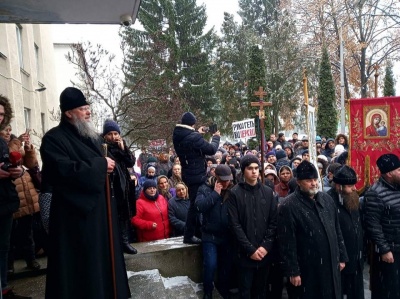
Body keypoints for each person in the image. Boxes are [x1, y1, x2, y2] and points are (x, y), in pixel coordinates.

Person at [40, 87, 130, 298]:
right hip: (74, 219)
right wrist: (99, 166)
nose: (88, 112)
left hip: (101, 216)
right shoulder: (53, 139)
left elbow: (112, 163)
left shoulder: (93, 137)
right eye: (83, 109)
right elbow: (61, 171)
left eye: (88, 108)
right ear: (69, 113)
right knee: (81, 273)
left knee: (103, 267)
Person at [278, 160, 348, 299]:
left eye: (315, 179)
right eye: (309, 180)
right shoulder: (288, 206)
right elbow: (287, 242)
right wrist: (293, 271)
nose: (314, 183)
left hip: (330, 263)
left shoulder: (326, 199)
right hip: (307, 267)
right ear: (298, 182)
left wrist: (341, 256)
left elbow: (336, 230)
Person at [227, 154, 278, 299]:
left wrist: (265, 246)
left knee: (261, 290)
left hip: (264, 253)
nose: (254, 171)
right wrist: (250, 249)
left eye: (256, 168)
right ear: (243, 171)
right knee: (245, 291)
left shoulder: (267, 192)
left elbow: (273, 222)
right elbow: (234, 224)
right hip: (244, 254)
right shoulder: (235, 193)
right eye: (250, 168)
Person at [172, 112, 220, 244]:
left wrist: (197, 133)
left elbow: (189, 141)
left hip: (188, 173)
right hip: (196, 175)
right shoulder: (193, 137)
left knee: (195, 204)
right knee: (196, 206)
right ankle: (190, 235)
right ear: (192, 124)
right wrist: (216, 137)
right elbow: (211, 150)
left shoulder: (178, 134)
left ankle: (194, 233)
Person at [1, 125, 41, 273]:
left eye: (10, 129)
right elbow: (9, 154)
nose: (8, 132)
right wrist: (17, 142)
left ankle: (31, 260)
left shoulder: (15, 143)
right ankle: (9, 266)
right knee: (9, 234)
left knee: (27, 232)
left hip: (26, 194)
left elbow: (31, 164)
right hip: (12, 194)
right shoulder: (9, 145)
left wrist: (29, 149)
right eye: (5, 129)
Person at [0, 95, 27, 299]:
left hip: (5, 201)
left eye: (2, 115)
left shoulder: (2, 142)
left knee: (4, 247)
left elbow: (10, 165)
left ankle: (3, 287)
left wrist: (19, 172)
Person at [196, 165, 235, 299]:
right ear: (216, 177)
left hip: (228, 235)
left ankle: (224, 290)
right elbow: (199, 207)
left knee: (226, 266)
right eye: (223, 180)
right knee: (210, 264)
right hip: (210, 234)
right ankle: (208, 291)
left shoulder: (233, 190)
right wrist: (215, 194)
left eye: (228, 180)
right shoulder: (205, 189)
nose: (225, 183)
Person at [364, 153, 400, 299]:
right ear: (389, 174)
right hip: (390, 251)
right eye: (399, 170)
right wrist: (384, 249)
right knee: (389, 290)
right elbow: (373, 225)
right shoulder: (374, 193)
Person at [327, 165, 364, 299]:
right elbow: (332, 233)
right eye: (350, 186)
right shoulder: (327, 201)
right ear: (339, 186)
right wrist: (340, 257)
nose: (354, 188)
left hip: (356, 259)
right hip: (340, 263)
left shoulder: (353, 198)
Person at [102, 119, 137, 255]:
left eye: (115, 133)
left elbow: (130, 162)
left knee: (124, 215)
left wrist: (124, 149)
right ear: (105, 135)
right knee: (113, 215)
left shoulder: (120, 146)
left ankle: (124, 242)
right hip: (112, 185)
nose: (113, 137)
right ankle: (114, 244)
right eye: (110, 134)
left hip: (124, 185)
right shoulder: (103, 147)